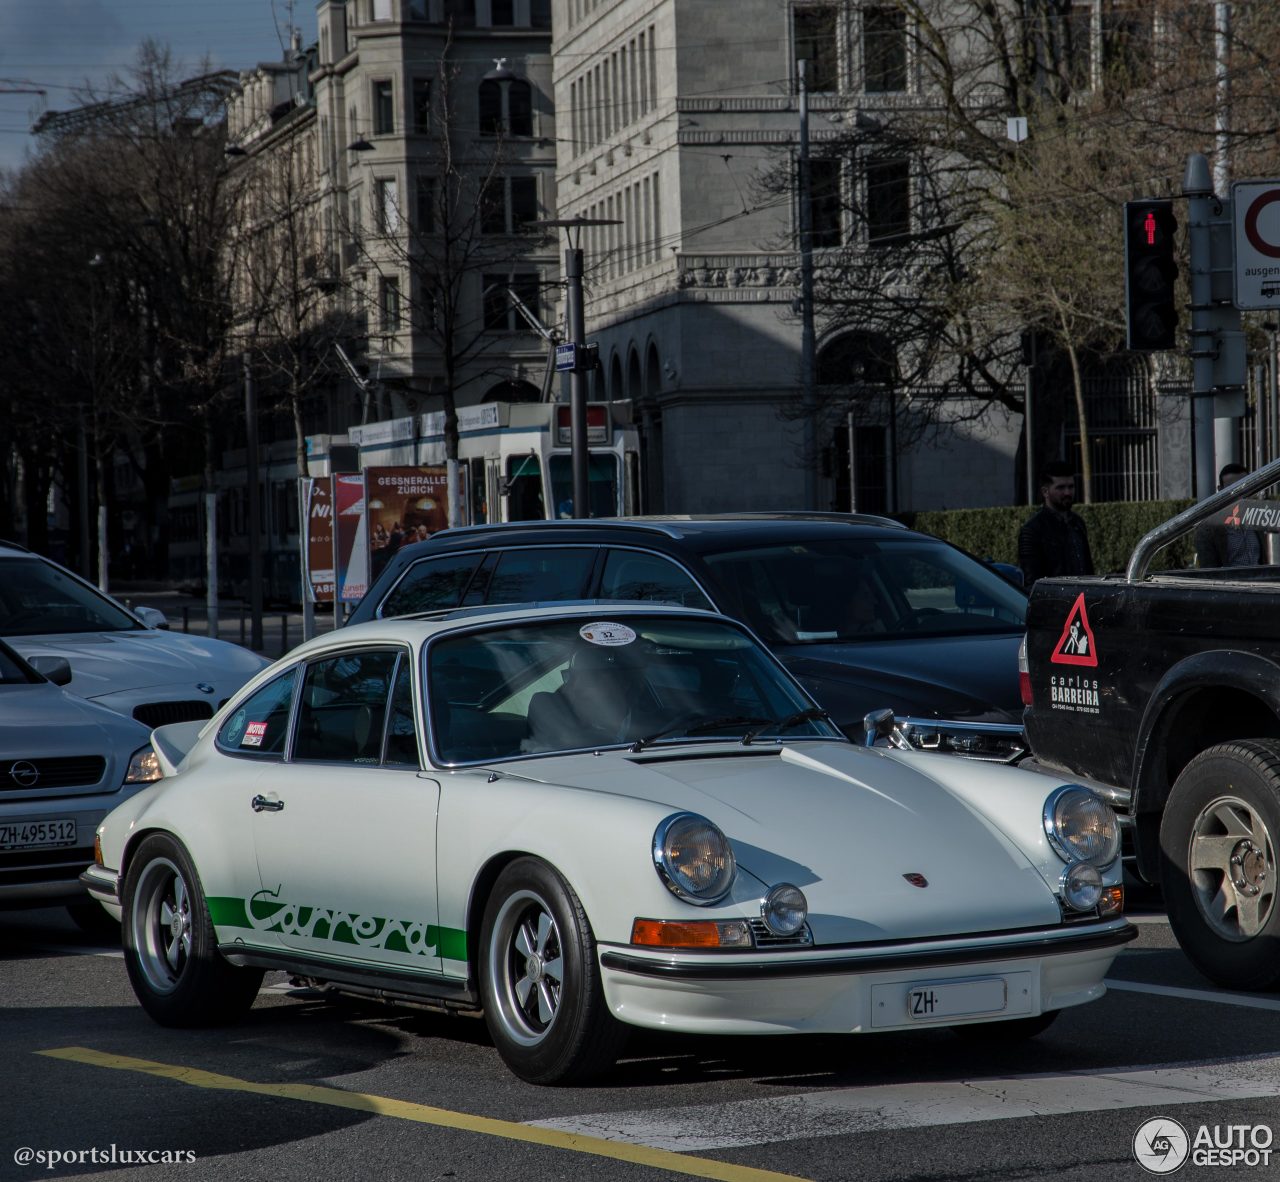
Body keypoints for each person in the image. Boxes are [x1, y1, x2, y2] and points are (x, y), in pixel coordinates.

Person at [1018, 461, 1094, 589]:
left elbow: (1088, 569)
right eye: (1060, 488)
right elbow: (1032, 583)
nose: (1067, 493)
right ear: (1045, 492)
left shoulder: (1077, 523)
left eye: (1071, 487)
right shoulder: (1033, 531)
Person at [1193, 463, 1263, 568]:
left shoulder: (1256, 517)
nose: (1240, 494)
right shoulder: (1208, 529)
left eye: (1244, 486)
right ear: (1220, 490)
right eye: (1232, 488)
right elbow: (1209, 571)